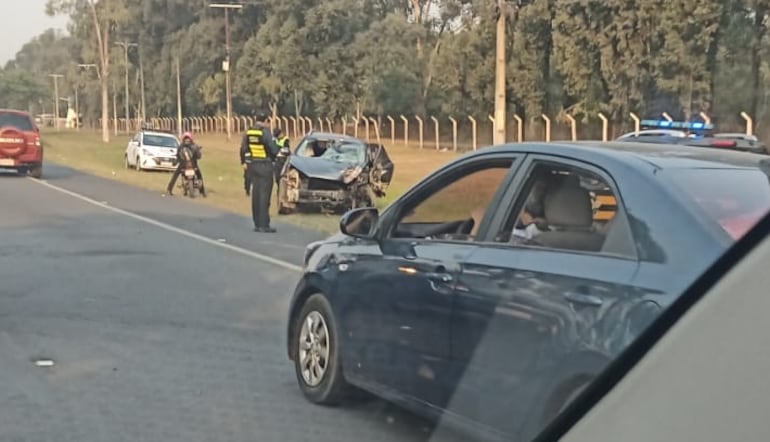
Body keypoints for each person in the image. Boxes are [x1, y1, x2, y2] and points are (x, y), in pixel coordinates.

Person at [240, 113, 280, 232]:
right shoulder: (265, 132)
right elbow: (273, 149)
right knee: (264, 195)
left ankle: (257, 223)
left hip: (253, 165)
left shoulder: (249, 132)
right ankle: (264, 224)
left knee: (256, 194)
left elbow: (243, 149)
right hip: (265, 165)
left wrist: (245, 161)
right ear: (266, 120)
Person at [167, 132, 206, 197]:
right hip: (193, 164)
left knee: (175, 175)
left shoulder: (181, 146)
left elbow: (178, 156)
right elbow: (199, 156)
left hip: (183, 164)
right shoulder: (195, 146)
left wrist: (176, 162)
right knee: (199, 176)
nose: (187, 141)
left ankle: (169, 189)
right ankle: (202, 191)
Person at [273, 128, 291, 196]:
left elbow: (286, 150)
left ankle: (283, 192)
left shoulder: (285, 140)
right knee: (277, 178)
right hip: (276, 161)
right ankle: (279, 191)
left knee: (283, 177)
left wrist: (278, 149)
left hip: (283, 161)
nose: (282, 135)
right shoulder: (274, 140)